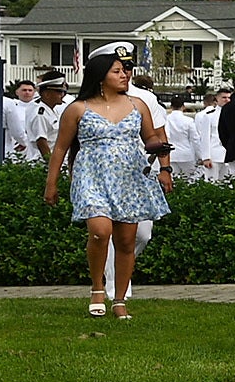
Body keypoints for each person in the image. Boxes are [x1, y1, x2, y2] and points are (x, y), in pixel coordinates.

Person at [42, 47, 171, 320]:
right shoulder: (78, 108)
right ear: (100, 76)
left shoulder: (138, 105)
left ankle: (120, 300)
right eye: (117, 71)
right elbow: (60, 149)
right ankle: (97, 288)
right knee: (100, 231)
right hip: (91, 175)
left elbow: (149, 137)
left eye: (125, 71)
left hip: (130, 177)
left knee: (127, 240)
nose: (125, 75)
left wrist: (159, 149)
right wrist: (51, 184)